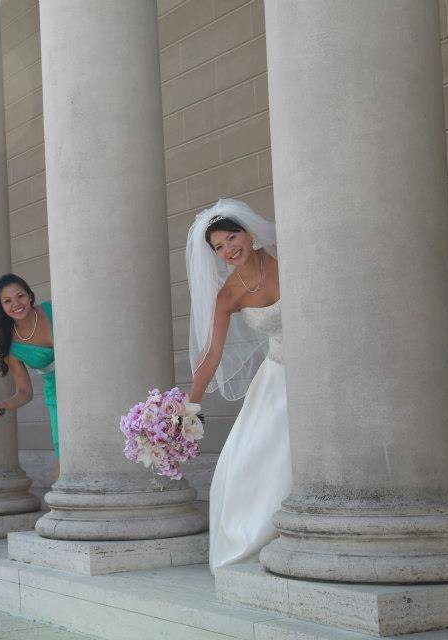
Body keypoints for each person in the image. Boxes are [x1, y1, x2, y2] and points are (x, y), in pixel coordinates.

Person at [185, 198, 290, 573]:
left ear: (249, 233)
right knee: (247, 459)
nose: (230, 249)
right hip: (279, 374)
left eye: (233, 237)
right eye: (220, 247)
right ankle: (260, 541)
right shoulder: (228, 294)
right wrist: (188, 408)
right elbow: (211, 354)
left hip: (324, 367)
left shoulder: (286, 256)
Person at [0, 274, 59, 478]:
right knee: (64, 451)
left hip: (86, 380)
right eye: (7, 301)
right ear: (1, 307)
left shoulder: (54, 309)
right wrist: (1, 405)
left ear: (29, 295)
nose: (16, 304)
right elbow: (25, 392)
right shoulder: (11, 346)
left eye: (20, 296)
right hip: (58, 395)